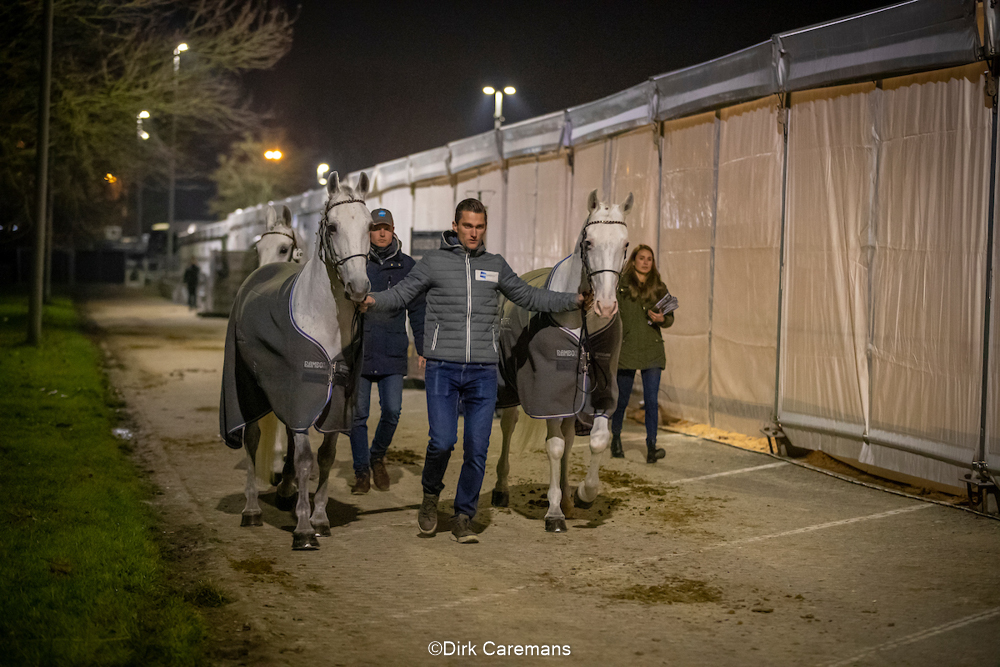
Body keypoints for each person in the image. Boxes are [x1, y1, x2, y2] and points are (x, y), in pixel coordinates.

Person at [361, 199, 586, 544]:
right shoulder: (433, 262)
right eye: (467, 226)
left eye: (480, 227)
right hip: (443, 369)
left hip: (483, 372)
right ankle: (430, 496)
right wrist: (373, 300)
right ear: (455, 226)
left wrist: (573, 300)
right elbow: (401, 295)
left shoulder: (495, 265)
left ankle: (464, 514)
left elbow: (530, 296)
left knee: (478, 449)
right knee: (442, 442)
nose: (473, 233)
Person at [349, 208, 425, 495]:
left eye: (386, 228)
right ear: (368, 231)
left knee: (392, 411)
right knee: (358, 415)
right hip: (360, 349)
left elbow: (418, 310)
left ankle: (377, 456)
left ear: (393, 230)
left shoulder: (407, 266)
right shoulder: (356, 264)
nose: (381, 233)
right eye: (376, 228)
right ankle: (361, 471)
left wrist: (422, 346)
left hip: (392, 349)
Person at [609, 245, 674, 463]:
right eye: (641, 258)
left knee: (651, 401)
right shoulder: (620, 286)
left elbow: (670, 317)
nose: (645, 262)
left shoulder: (659, 286)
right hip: (627, 348)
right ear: (634, 260)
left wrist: (662, 319)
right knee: (622, 399)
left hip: (651, 348)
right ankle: (616, 438)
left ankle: (651, 446)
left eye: (649, 259)